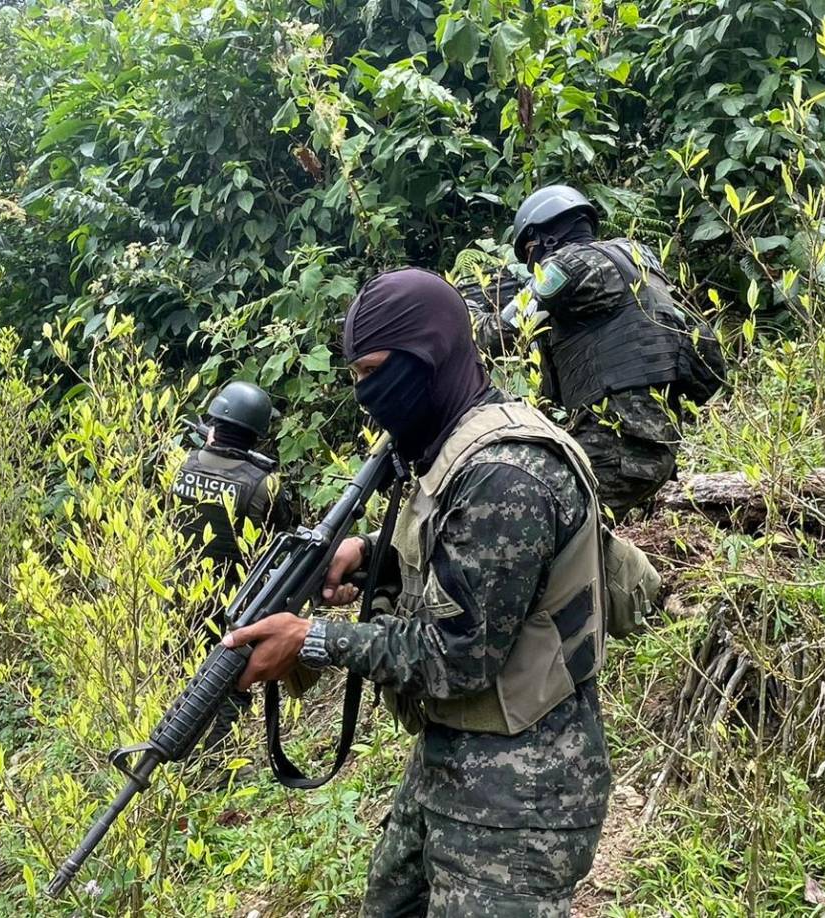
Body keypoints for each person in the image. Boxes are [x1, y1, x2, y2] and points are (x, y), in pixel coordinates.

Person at [222, 268, 611, 916]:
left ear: (428, 353)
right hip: (450, 760)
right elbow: (460, 551)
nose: (367, 393)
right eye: (356, 376)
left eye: (376, 370)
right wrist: (371, 554)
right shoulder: (450, 444)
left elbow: (455, 656)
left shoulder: (505, 472)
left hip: (523, 795)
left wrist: (311, 639)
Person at [472, 185, 724, 520]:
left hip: (616, 452)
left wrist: (464, 313)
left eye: (529, 250)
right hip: (656, 445)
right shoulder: (636, 256)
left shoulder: (565, 266)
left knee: (516, 517)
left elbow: (495, 336)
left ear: (542, 238)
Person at [169, 380, 293, 747]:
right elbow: (280, 542)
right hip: (234, 603)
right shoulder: (263, 485)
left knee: (186, 679)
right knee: (228, 685)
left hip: (181, 594)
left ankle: (182, 758)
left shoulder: (183, 468)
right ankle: (215, 766)